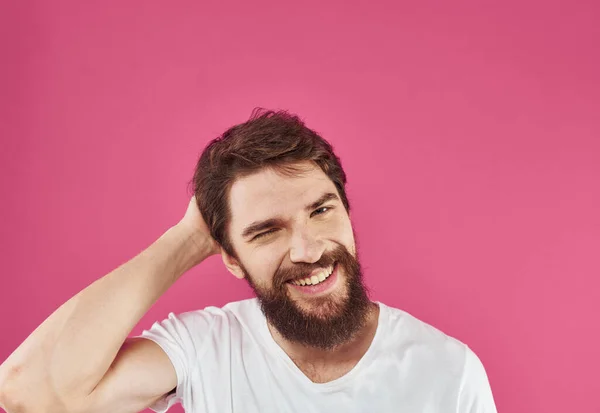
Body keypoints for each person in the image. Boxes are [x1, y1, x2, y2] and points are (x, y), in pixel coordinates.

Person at [0, 109, 497, 413]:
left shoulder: (448, 373)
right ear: (231, 259)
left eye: (321, 210)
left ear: (347, 211)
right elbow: (28, 394)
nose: (307, 250)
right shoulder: (205, 350)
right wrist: (186, 240)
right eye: (266, 232)